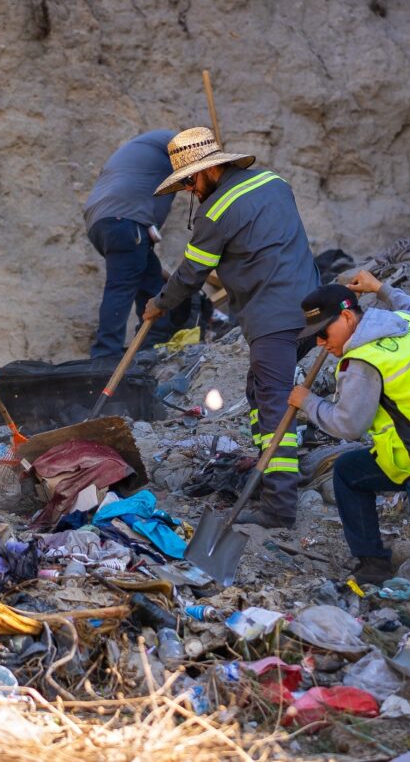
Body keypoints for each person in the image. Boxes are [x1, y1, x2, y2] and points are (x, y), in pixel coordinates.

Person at [144, 127, 319, 528]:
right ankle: (266, 470)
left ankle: (278, 507)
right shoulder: (275, 182)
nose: (189, 189)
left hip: (273, 316)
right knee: (258, 389)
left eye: (190, 181)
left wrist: (159, 304)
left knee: (273, 403)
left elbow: (191, 275)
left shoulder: (215, 213)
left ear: (207, 171)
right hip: (311, 305)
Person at [289, 271, 410, 624]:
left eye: (323, 333)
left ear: (347, 318)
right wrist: (380, 288)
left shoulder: (361, 362)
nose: (320, 343)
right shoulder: (404, 324)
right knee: (349, 472)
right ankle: (373, 564)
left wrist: (308, 402)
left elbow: (348, 425)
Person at [83, 129, 182, 358]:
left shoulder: (141, 156)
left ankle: (154, 344)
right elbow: (201, 169)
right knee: (121, 287)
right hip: (125, 222)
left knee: (152, 283)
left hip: (102, 223)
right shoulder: (175, 143)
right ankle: (106, 354)